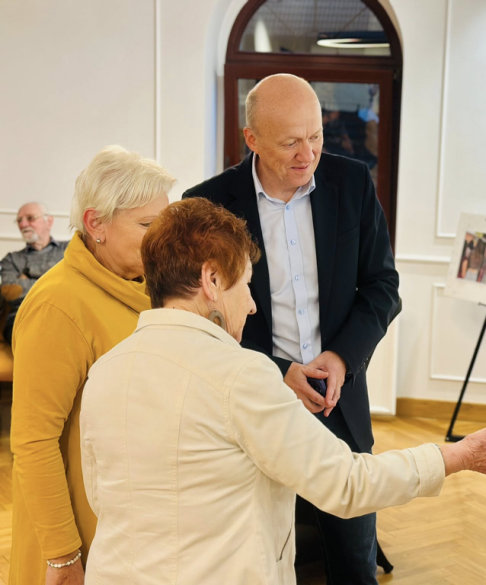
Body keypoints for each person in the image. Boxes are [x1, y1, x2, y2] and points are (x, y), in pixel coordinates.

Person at [79, 197, 486, 584]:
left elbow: (104, 498)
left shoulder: (104, 370)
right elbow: (346, 484)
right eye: (245, 285)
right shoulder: (240, 376)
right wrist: (456, 457)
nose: (253, 303)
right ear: (212, 281)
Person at [182, 73, 398, 581]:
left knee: (353, 562)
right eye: (290, 142)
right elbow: (201, 318)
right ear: (251, 139)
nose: (308, 153)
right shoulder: (206, 205)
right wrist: (281, 371)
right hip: (253, 404)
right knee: (263, 558)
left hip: (338, 402)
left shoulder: (351, 183)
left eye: (316, 136)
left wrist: (342, 356)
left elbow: (382, 286)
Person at [9, 146, 174, 585]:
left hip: (130, 527)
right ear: (95, 224)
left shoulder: (142, 286)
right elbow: (33, 441)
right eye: (146, 225)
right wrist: (63, 555)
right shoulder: (58, 305)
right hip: (79, 538)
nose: (162, 238)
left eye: (165, 223)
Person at [0, 202, 67, 342]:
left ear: (49, 221)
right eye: (19, 220)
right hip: (23, 317)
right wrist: (59, 283)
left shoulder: (70, 249)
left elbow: (80, 285)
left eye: (30, 218)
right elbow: (11, 292)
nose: (23, 224)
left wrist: (26, 279)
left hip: (66, 313)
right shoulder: (11, 259)